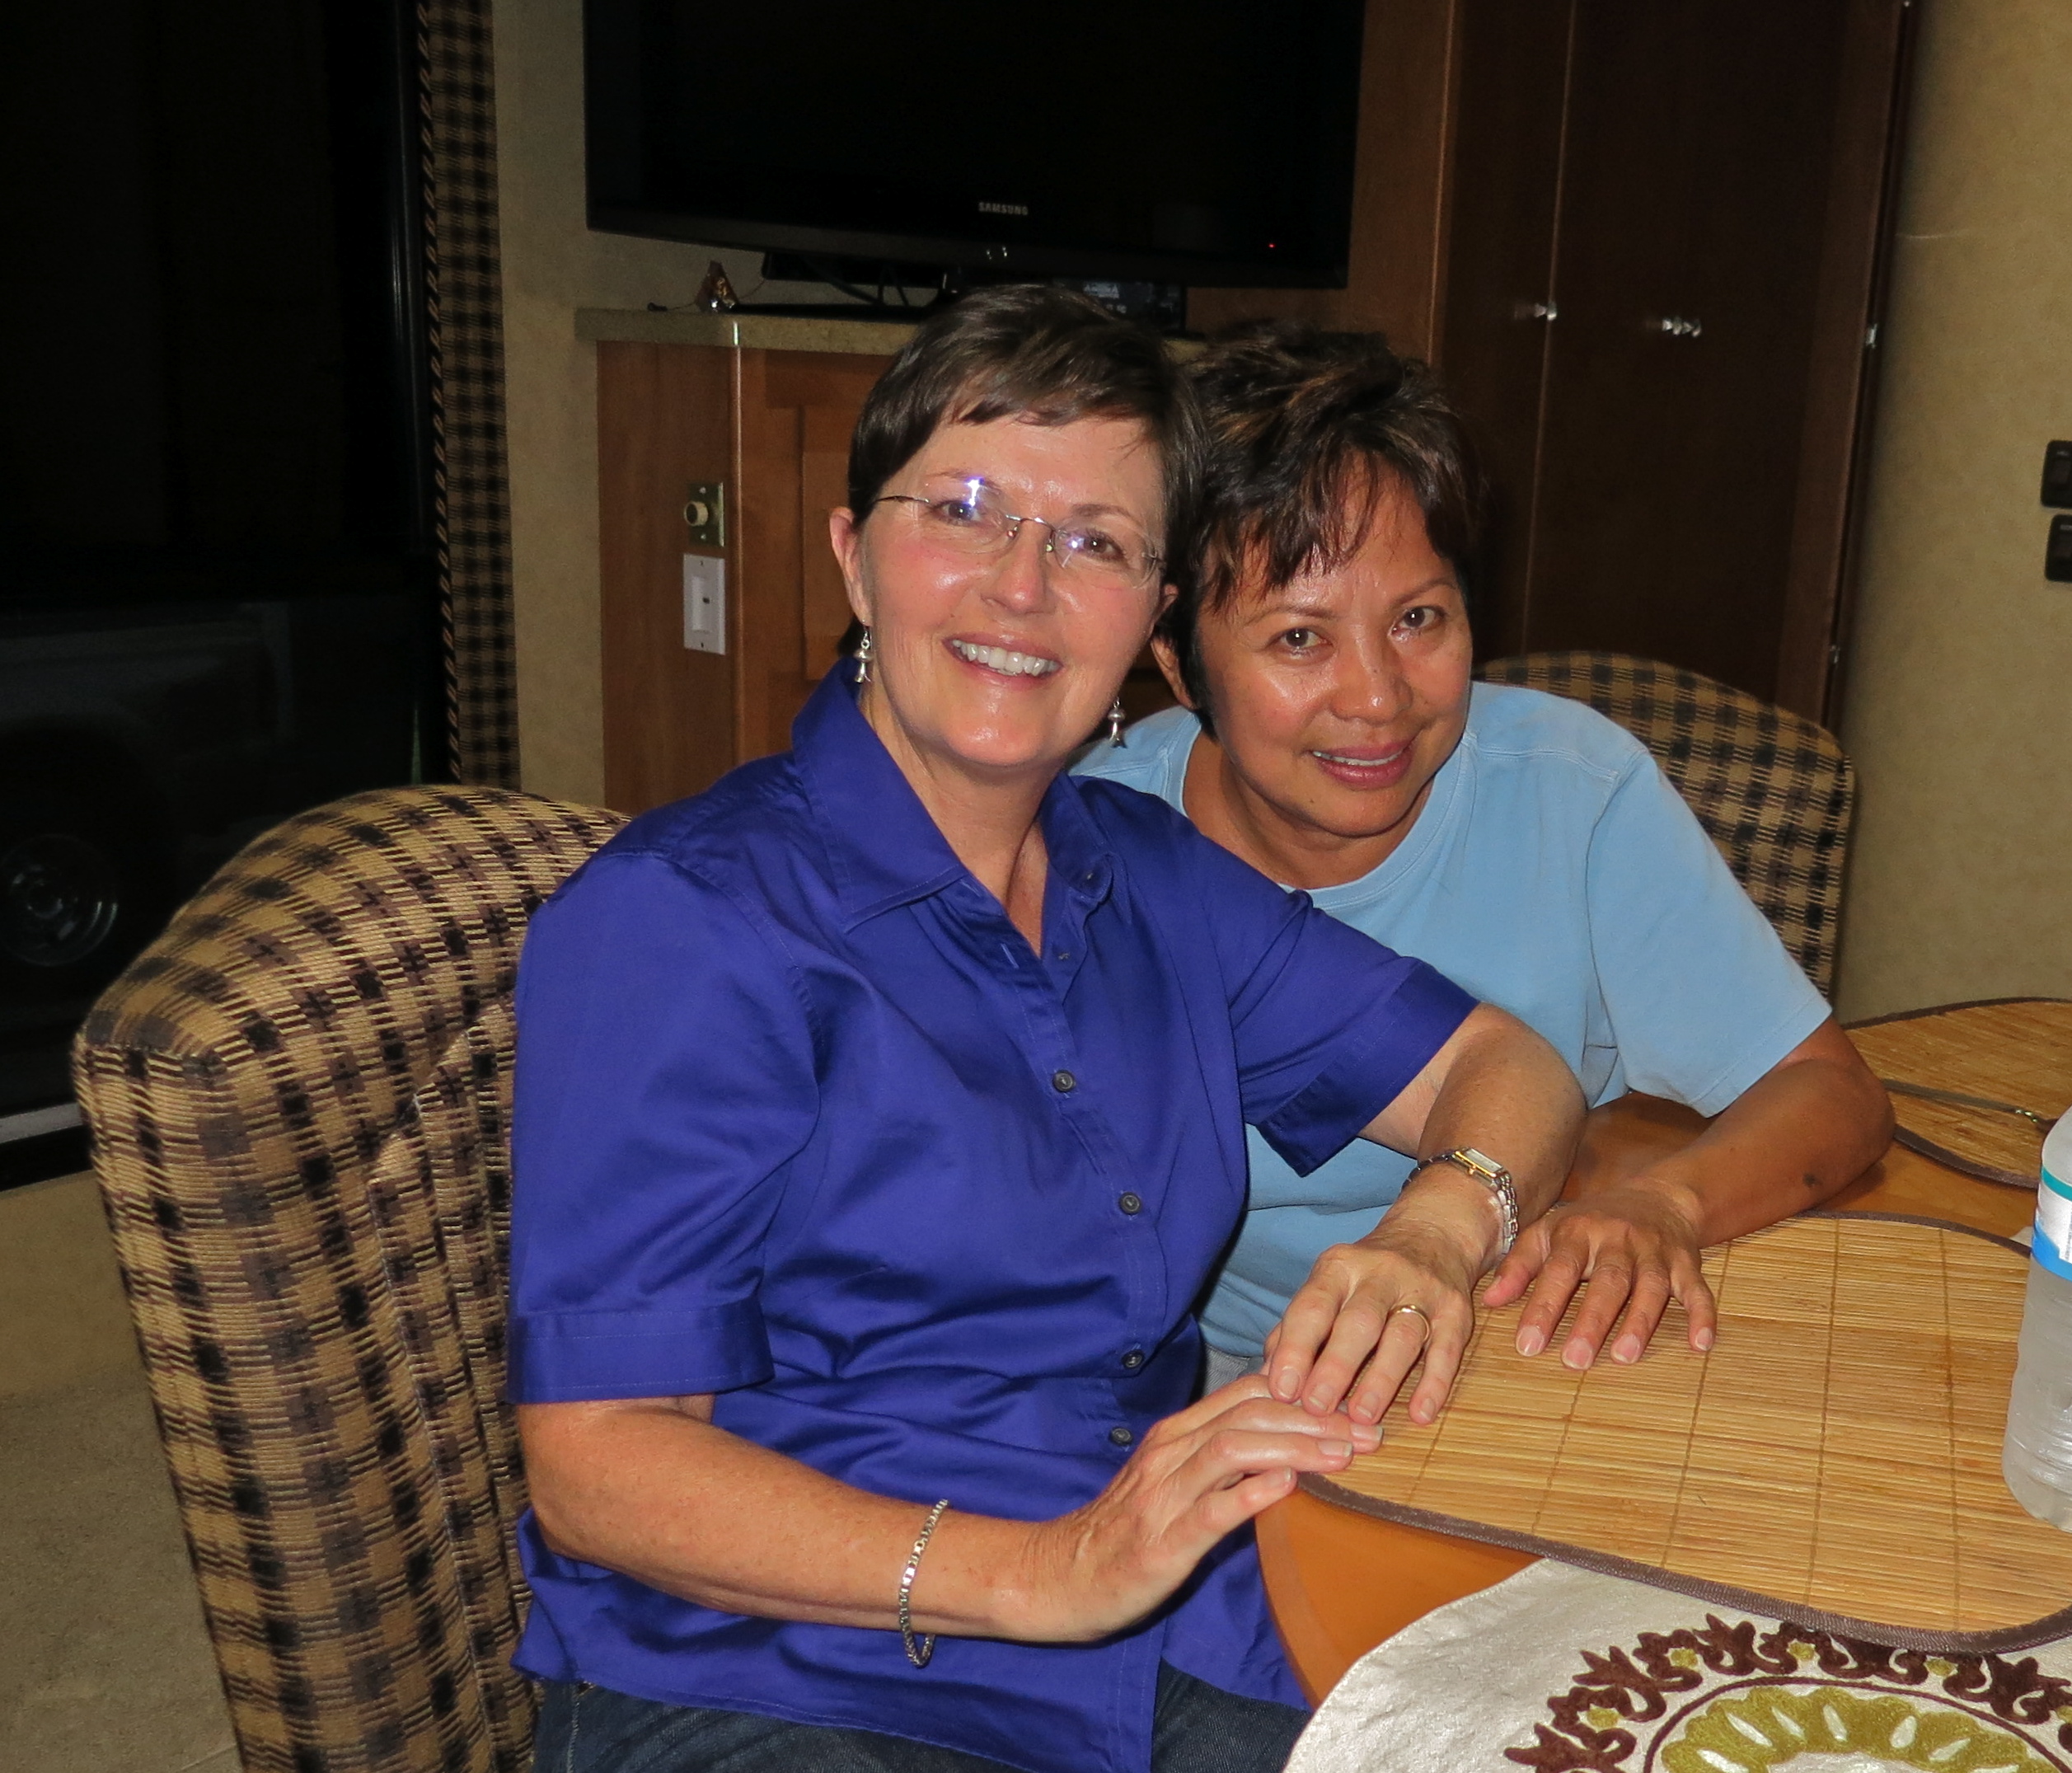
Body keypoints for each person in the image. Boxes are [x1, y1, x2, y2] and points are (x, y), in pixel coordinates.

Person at [506, 287, 1584, 1773]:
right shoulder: (683, 918)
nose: (1023, 587)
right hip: (778, 1673)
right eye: (965, 511)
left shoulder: (1149, 878)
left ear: (1151, 616)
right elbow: (596, 1467)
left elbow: (1504, 1068)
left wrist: (1436, 1232)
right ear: (853, 556)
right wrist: (1047, 1573)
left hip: (1172, 1615)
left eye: (1095, 542)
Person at [1076, 324, 1894, 1418]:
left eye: (1419, 619)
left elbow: (1832, 1095)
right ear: (1177, 662)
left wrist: (1666, 1207)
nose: (1379, 697)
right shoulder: (1091, 849)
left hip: (1529, 1356)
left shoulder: (1573, 791)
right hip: (1224, 1385)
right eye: (1300, 639)